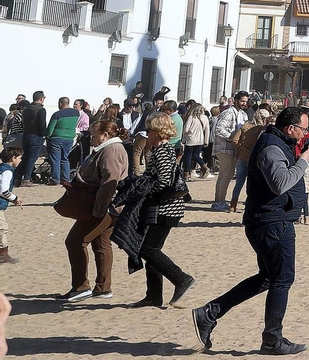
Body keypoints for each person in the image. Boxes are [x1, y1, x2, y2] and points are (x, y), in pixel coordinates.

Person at [191, 105, 309, 355]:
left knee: (268, 277)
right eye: (303, 129)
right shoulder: (272, 147)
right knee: (282, 279)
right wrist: (302, 162)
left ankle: (210, 312)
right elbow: (279, 184)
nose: (305, 134)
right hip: (271, 221)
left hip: (273, 219)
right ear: (290, 128)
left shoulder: (278, 143)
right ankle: (272, 339)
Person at [131, 112, 196, 308]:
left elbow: (164, 181)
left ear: (158, 132)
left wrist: (144, 187)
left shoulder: (162, 151)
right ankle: (153, 295)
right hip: (162, 207)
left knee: (147, 249)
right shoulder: (162, 149)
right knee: (152, 250)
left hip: (166, 208)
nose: (147, 134)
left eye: (149, 130)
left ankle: (181, 279)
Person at [61, 119, 129, 301]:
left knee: (75, 241)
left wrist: (99, 210)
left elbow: (110, 182)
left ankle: (81, 287)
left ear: (105, 135)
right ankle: (103, 288)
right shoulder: (107, 149)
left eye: (93, 135)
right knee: (101, 244)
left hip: (106, 206)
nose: (90, 139)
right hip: (109, 206)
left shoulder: (111, 150)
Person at [211, 92, 250, 211]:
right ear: (236, 100)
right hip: (224, 147)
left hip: (233, 148)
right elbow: (218, 129)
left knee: (223, 174)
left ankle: (218, 200)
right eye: (242, 101)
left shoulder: (243, 114)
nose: (244, 103)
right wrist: (233, 138)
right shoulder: (228, 113)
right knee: (227, 173)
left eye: (246, 101)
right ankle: (220, 201)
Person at [45, 97, 78, 185]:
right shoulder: (76, 113)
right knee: (65, 159)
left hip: (56, 138)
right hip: (69, 138)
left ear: (60, 104)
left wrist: (47, 137)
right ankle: (65, 179)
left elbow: (50, 128)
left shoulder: (57, 114)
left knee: (55, 159)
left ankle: (55, 179)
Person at [20, 92, 47, 187]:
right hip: (36, 136)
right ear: (41, 99)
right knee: (32, 158)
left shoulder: (26, 109)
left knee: (25, 158)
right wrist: (44, 135)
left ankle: (17, 177)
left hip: (26, 135)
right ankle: (26, 179)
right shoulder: (41, 110)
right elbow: (42, 125)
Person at [0, 146, 21, 264]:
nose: (20, 160)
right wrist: (15, 198)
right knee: (2, 228)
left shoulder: (1, 169)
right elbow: (3, 191)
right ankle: (3, 255)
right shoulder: (7, 171)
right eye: (19, 158)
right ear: (13, 158)